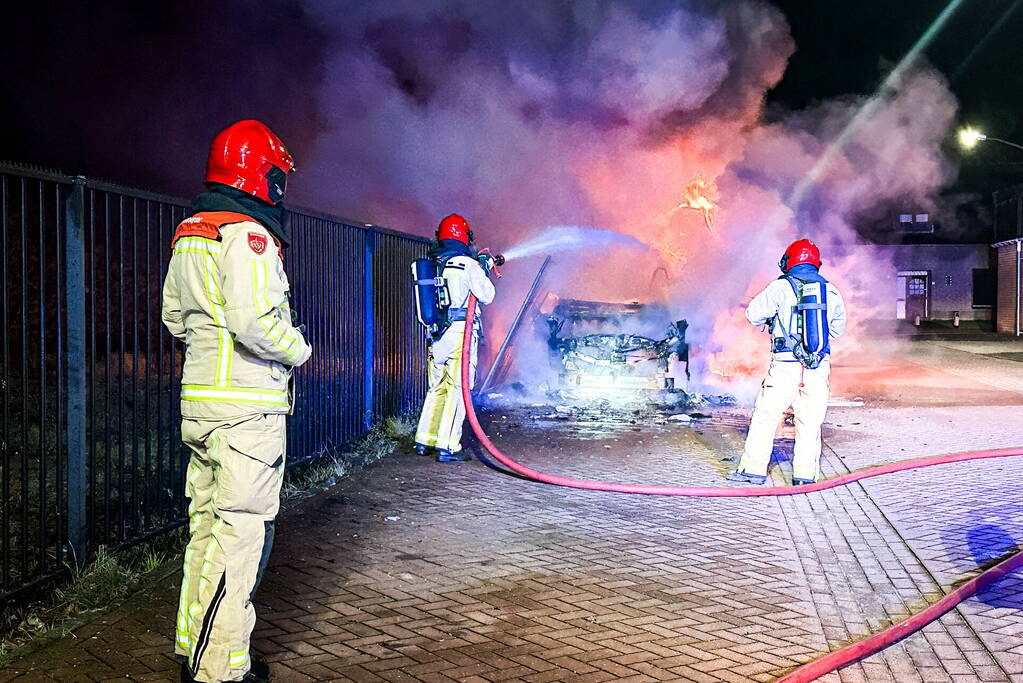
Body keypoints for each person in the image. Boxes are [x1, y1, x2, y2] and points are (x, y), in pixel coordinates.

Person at [162, 120, 311, 683]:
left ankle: (193, 648)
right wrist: (299, 349)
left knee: (205, 528)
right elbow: (257, 323)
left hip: (199, 404)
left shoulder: (192, 231)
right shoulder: (248, 235)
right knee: (241, 535)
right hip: (246, 409)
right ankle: (221, 669)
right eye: (278, 176)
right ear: (261, 175)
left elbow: (173, 317)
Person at [727, 239, 846, 486]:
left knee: (766, 416)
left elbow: (753, 314)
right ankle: (805, 476)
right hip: (816, 366)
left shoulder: (780, 288)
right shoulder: (831, 291)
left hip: (784, 364)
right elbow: (836, 330)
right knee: (810, 422)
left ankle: (753, 470)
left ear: (788, 261)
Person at [415, 214, 497, 462]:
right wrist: (483, 268)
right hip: (461, 333)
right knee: (458, 389)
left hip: (436, 335)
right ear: (464, 236)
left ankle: (424, 439)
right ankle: (447, 446)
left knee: (437, 388)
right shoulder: (467, 264)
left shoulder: (433, 263)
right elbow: (487, 295)